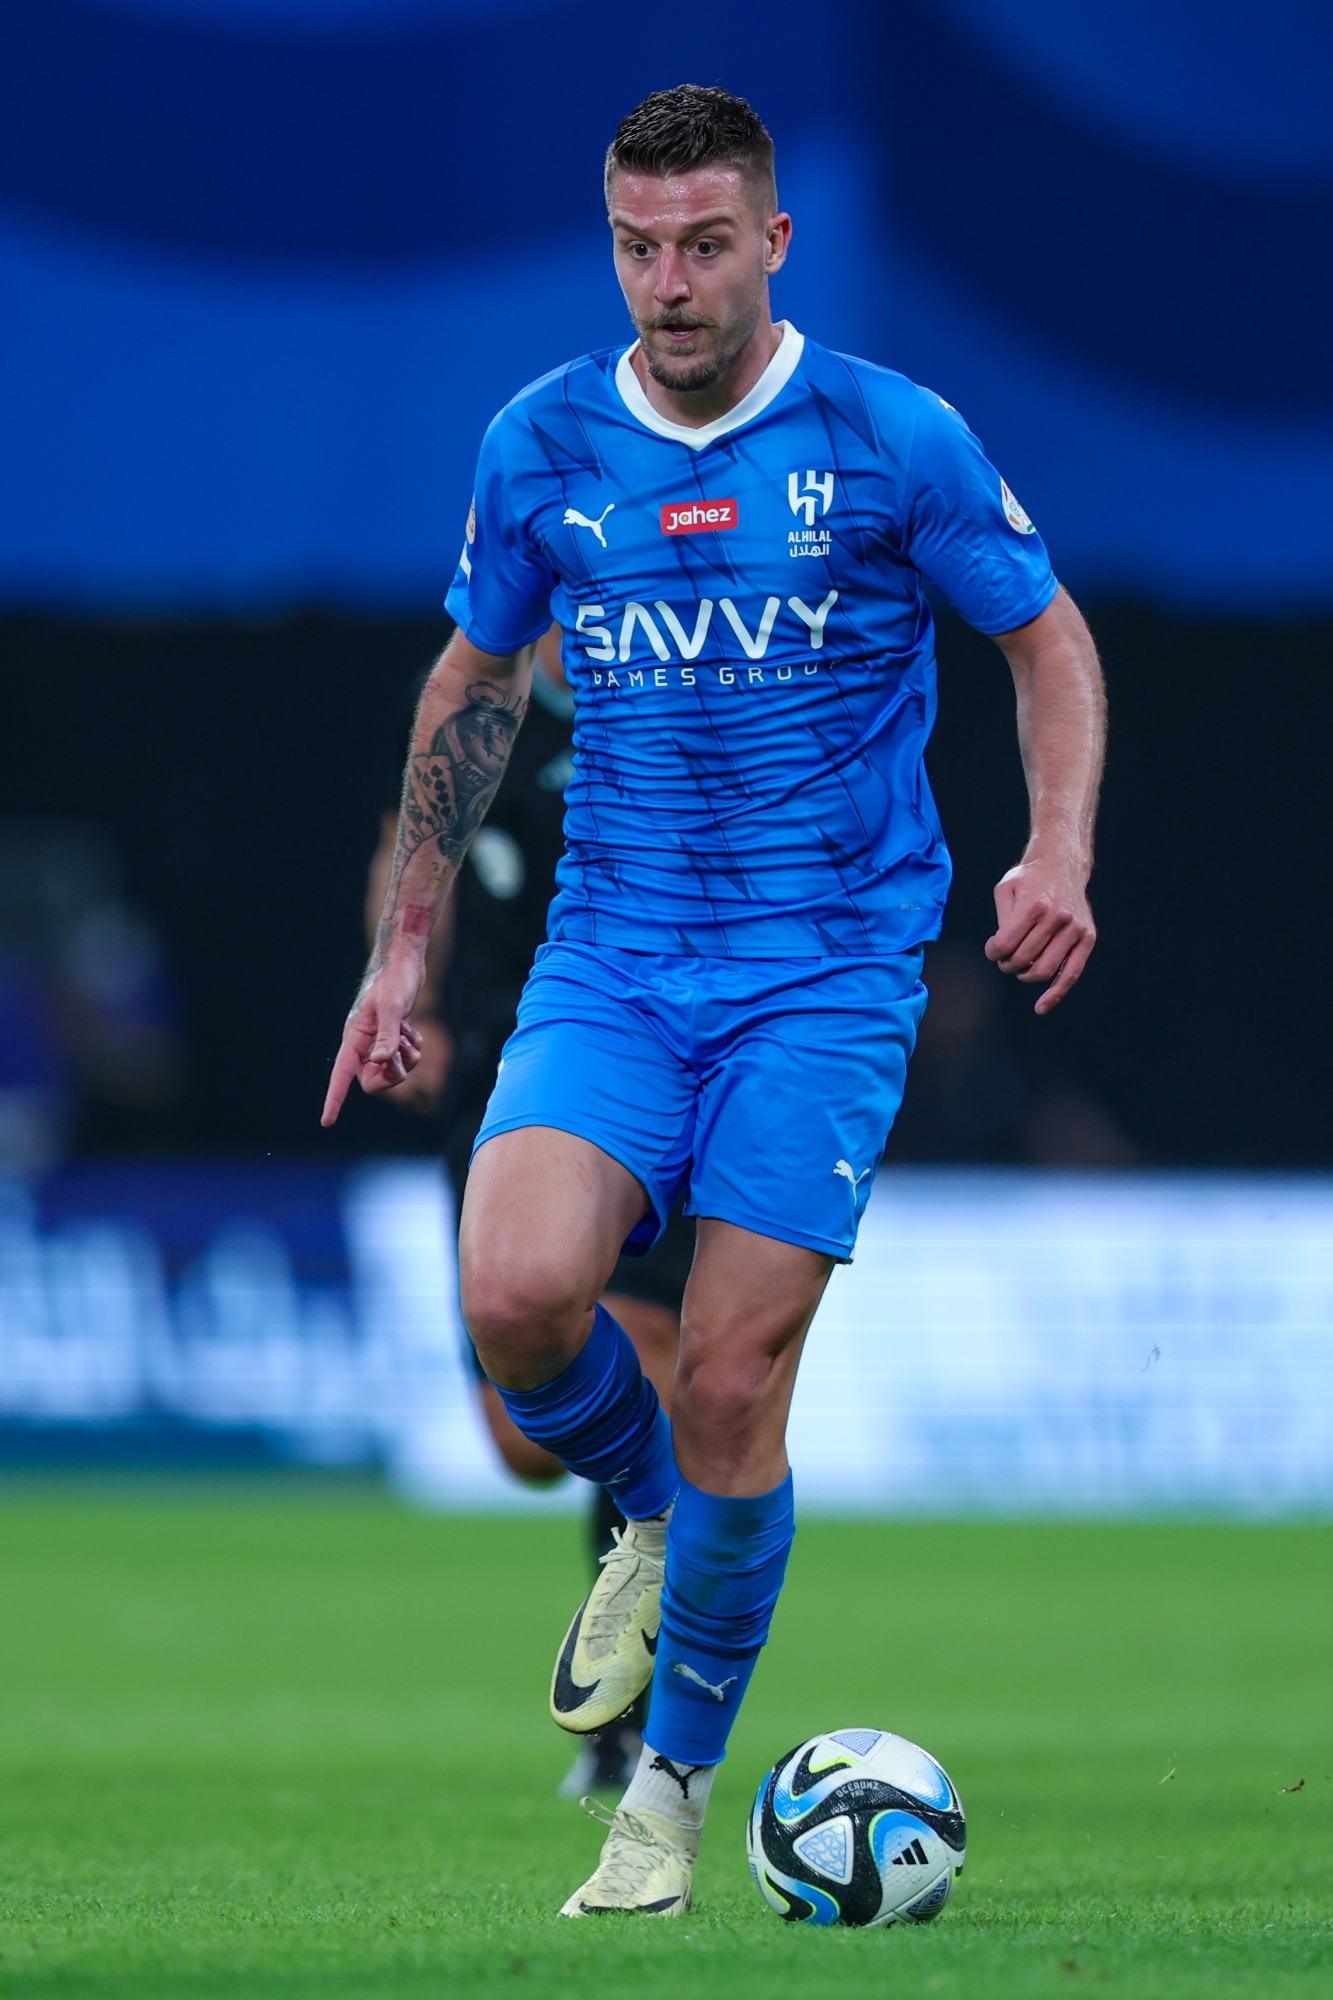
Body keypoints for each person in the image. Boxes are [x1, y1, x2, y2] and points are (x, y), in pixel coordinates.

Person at [322, 83, 1105, 1919]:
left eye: (700, 244)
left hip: (823, 979)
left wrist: (1052, 853)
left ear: (769, 243)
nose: (666, 283)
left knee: (735, 1378)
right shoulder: (542, 443)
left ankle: (663, 1802)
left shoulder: (883, 436)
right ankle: (656, 1520)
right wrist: (403, 948)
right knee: (517, 1301)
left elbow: (1043, 637)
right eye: (635, 245)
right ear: (612, 243)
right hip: (609, 958)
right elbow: (471, 684)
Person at [365, 627, 692, 1790]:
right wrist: (396, 983)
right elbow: (416, 843)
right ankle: (678, 1521)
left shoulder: (674, 681)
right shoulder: (483, 701)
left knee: (652, 1359)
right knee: (527, 1440)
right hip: (507, 1086)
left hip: (660, 1070)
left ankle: (642, 1700)